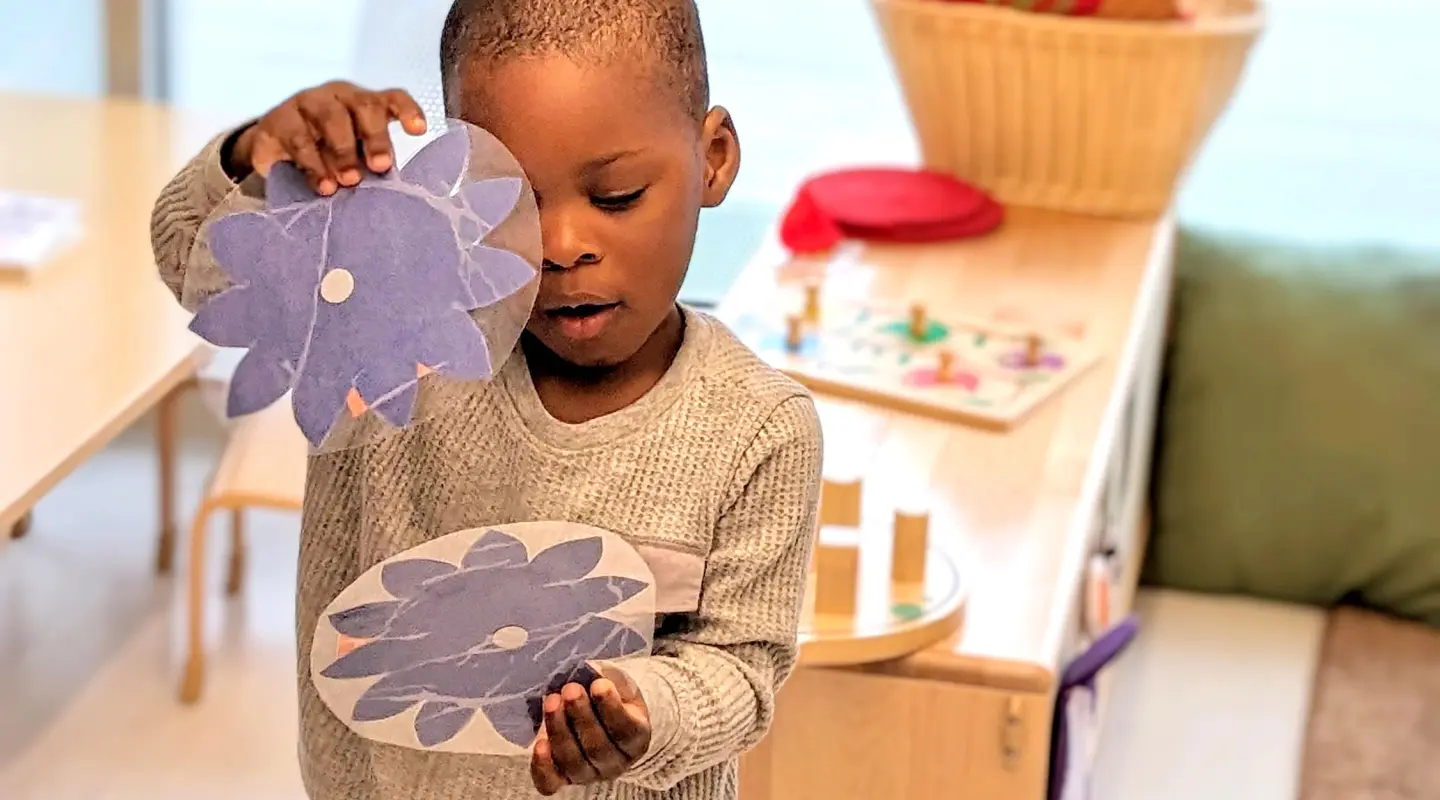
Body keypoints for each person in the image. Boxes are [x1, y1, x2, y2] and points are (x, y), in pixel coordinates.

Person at [149, 0, 823, 798]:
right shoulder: (391, 332)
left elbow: (742, 672)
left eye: (616, 196)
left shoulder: (759, 429)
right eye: (513, 203)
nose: (562, 246)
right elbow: (191, 255)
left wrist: (647, 711)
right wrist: (258, 159)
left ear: (712, 159)